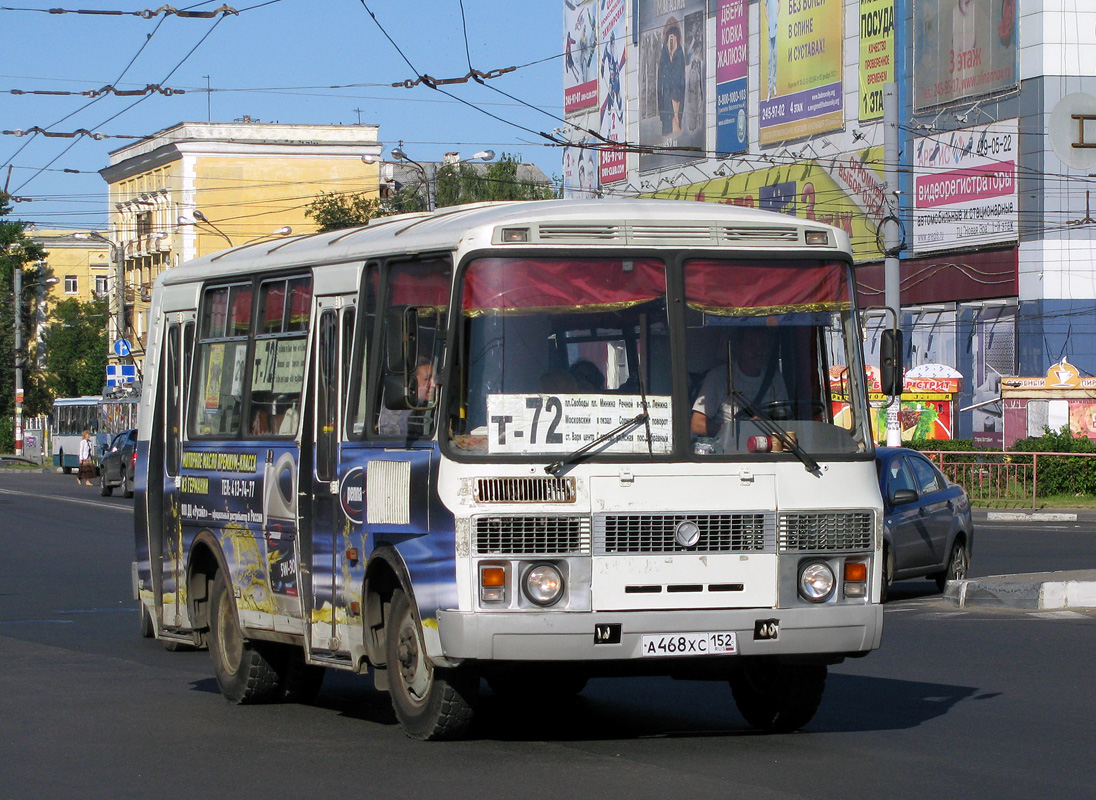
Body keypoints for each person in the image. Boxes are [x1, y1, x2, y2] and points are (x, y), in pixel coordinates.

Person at [691, 327, 788, 438]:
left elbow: (786, 421)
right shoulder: (719, 377)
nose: (759, 351)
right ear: (739, 346)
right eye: (752, 345)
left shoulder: (776, 379)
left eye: (764, 345)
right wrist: (736, 431)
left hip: (769, 447)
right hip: (729, 451)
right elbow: (697, 425)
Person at [657, 18, 685, 136]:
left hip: (675, 102)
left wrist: (671, 54)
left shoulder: (679, 54)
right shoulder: (664, 53)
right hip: (665, 102)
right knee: (667, 131)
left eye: (674, 37)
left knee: (674, 130)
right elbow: (660, 81)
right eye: (670, 37)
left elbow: (676, 80)